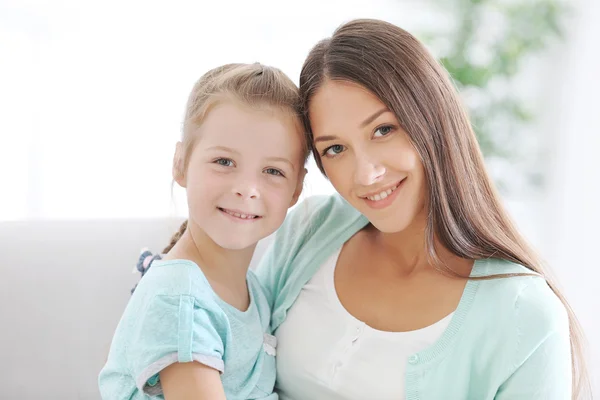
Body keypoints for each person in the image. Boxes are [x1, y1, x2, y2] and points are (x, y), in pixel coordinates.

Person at [256, 19, 589, 399]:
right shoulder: (311, 228)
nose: (366, 175)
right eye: (335, 149)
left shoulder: (524, 315)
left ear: (431, 117)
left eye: (383, 130)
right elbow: (230, 352)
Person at [99, 62, 308, 399]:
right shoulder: (181, 301)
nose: (247, 188)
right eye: (224, 162)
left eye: (272, 170)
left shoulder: (253, 292)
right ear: (181, 163)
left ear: (297, 189)